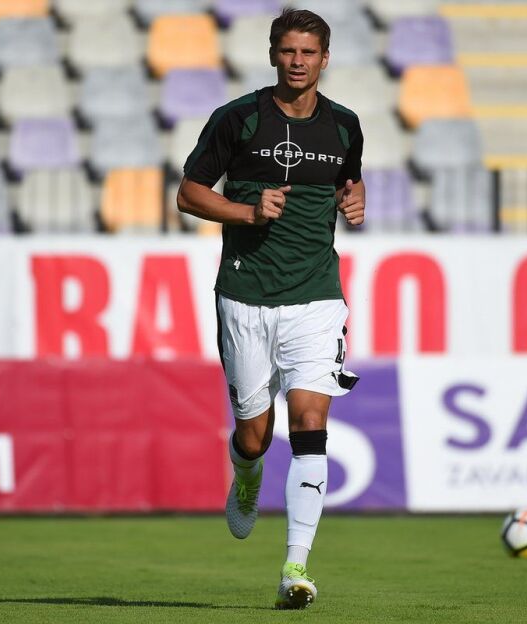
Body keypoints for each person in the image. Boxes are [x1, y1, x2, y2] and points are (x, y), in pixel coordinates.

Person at [176, 8, 365, 610]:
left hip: (317, 297)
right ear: (273, 55)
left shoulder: (345, 125)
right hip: (246, 295)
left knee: (310, 421)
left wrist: (356, 198)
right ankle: (246, 476)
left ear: (325, 58)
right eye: (288, 51)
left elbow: (348, 181)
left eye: (308, 52)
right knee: (254, 437)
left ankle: (295, 568)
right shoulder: (239, 119)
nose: (297, 61)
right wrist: (247, 211)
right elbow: (189, 193)